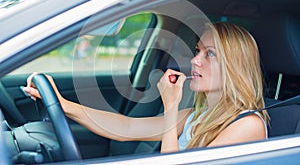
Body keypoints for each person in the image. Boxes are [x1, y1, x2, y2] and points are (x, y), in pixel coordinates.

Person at [24, 22, 269, 153]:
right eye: (198, 51)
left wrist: (171, 105)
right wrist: (63, 105)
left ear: (234, 67)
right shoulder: (197, 117)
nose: (195, 60)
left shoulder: (248, 125)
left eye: (210, 54)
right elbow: (125, 127)